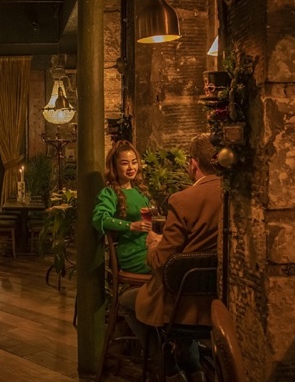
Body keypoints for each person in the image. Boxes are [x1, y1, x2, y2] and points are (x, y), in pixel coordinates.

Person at [120, 133, 222, 382]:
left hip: (179, 301)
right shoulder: (234, 195)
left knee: (125, 302)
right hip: (218, 300)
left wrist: (154, 244)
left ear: (193, 163)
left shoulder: (183, 200)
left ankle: (168, 369)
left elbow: (161, 262)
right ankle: (195, 371)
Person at [92, 140, 153, 274]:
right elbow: (100, 218)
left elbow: (147, 226)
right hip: (132, 254)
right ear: (114, 166)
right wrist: (130, 226)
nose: (131, 167)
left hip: (150, 247)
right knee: (172, 267)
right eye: (125, 163)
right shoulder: (109, 193)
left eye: (134, 162)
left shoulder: (139, 191)